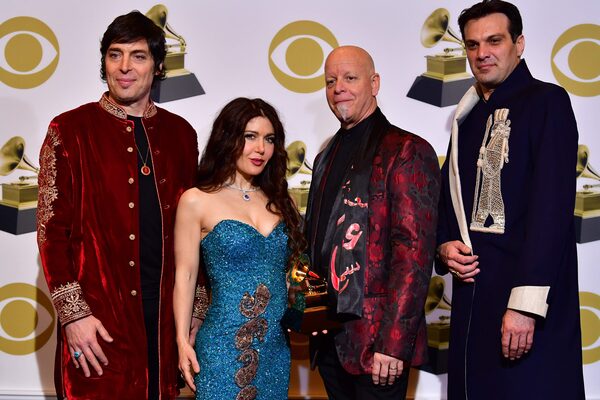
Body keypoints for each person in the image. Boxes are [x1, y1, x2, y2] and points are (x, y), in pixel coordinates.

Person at [37, 11, 202, 400]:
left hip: (164, 325)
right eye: (115, 55)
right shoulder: (70, 130)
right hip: (98, 325)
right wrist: (73, 316)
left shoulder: (181, 135)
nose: (125, 67)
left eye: (138, 56)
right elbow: (50, 232)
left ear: (157, 66)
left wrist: (195, 313)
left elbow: (199, 232)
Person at [436, 1, 585, 399]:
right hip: (472, 302)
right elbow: (449, 201)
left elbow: (552, 210)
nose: (482, 53)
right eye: (472, 44)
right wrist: (444, 244)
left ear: (519, 44)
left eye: (494, 41)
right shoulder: (466, 116)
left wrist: (524, 305)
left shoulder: (547, 101)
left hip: (526, 306)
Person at [304, 45, 440, 399]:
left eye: (350, 78)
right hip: (329, 341)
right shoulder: (324, 156)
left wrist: (394, 342)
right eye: (331, 81)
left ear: (374, 83)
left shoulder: (406, 149)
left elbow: (413, 254)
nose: (339, 88)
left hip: (378, 346)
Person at [173, 97, 305, 399]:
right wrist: (181, 341)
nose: (261, 148)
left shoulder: (282, 200)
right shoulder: (197, 200)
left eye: (269, 139)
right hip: (222, 347)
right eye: (250, 136)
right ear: (228, 138)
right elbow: (186, 275)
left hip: (275, 349)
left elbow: (292, 271)